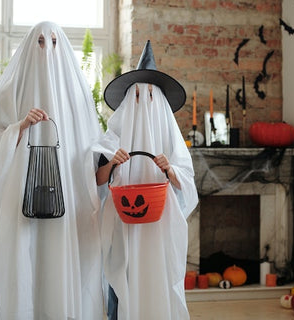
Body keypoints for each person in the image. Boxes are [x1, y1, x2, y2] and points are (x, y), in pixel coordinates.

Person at [0, 21, 103, 319]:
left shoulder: (76, 95)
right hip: (23, 196)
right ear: (30, 45)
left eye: (55, 42)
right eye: (41, 42)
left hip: (69, 197)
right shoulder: (12, 89)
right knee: (26, 259)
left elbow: (90, 148)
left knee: (63, 259)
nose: (48, 50)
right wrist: (21, 126)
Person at [91, 40, 199, 320]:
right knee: (126, 275)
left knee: (156, 275)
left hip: (159, 224)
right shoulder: (113, 137)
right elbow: (98, 180)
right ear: (128, 102)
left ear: (160, 102)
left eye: (151, 96)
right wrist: (113, 161)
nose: (143, 103)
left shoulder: (170, 140)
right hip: (123, 222)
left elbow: (186, 183)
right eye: (137, 97)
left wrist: (170, 169)